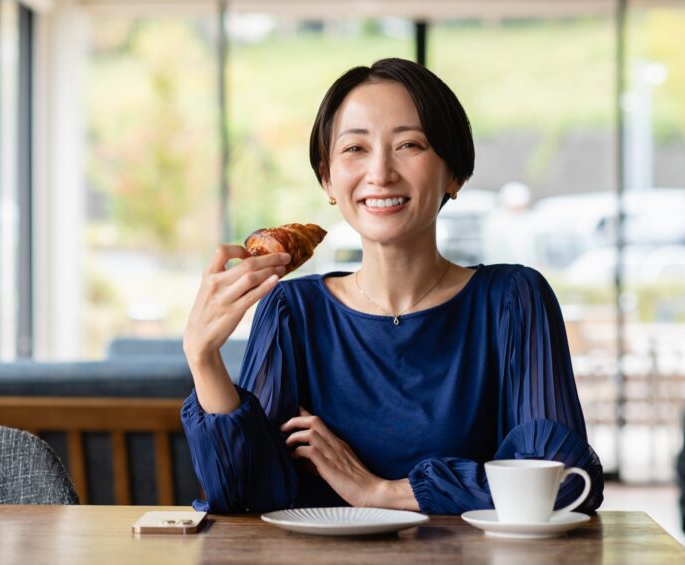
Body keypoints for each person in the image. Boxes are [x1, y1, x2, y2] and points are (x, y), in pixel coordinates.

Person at [180, 58, 604, 514]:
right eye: (355, 149)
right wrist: (203, 359)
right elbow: (247, 499)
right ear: (327, 177)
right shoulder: (291, 311)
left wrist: (381, 491)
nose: (380, 172)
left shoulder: (513, 300)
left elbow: (564, 483)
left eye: (409, 144)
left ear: (454, 174)